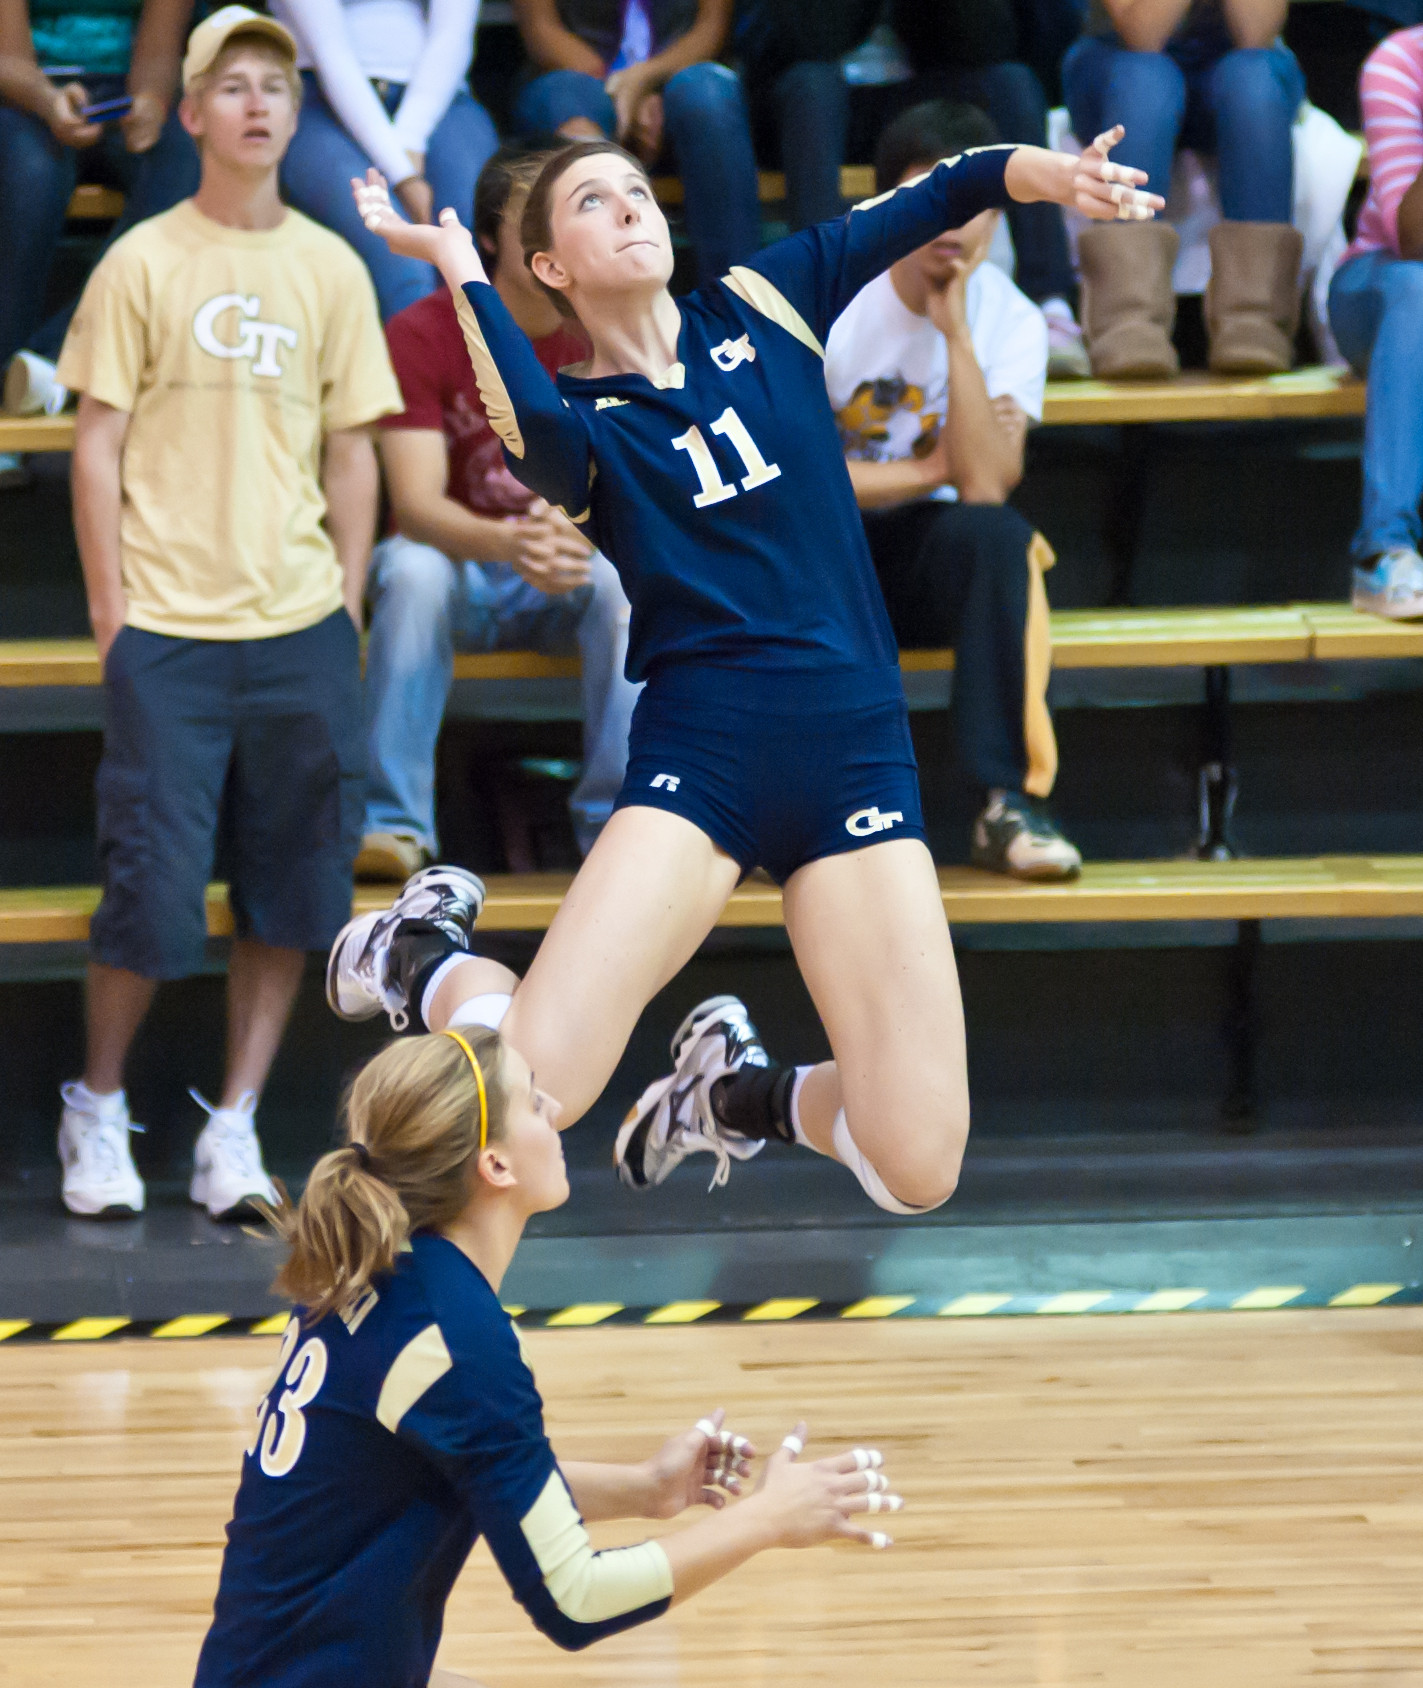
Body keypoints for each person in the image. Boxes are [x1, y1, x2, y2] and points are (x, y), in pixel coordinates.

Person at [328, 128, 1159, 1222]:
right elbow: (520, 418)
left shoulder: (765, 301)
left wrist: (1043, 174)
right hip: (701, 765)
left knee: (918, 1163)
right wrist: (455, 264)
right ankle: (420, 952)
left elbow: (939, 189)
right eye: (593, 200)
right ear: (550, 268)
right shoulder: (579, 427)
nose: (630, 204)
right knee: (527, 1093)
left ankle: (732, 1092)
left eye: (638, 186)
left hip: (852, 752)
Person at [194, 1027, 902, 1683]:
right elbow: (576, 1601)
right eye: (533, 1100)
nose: (554, 1107)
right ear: (494, 1163)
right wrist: (765, 1519)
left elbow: (450, 1471)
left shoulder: (373, 1272)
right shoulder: (455, 1338)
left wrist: (645, 1490)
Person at [52, 6, 401, 1220]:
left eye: (277, 87)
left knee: (290, 890)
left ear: (296, 115)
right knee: (147, 893)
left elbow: (354, 453)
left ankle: (234, 1128)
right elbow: (94, 446)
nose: (257, 104)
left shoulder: (331, 266)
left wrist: (345, 605)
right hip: (171, 630)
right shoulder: (143, 258)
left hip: (299, 629)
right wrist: (113, 610)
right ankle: (97, 1106)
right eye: (232, 86)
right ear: (192, 113)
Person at [361, 142, 640, 880]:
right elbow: (416, 507)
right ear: (487, 240)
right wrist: (514, 542)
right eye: (536, 218)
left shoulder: (600, 334)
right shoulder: (420, 332)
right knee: (410, 571)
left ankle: (620, 827)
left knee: (627, 585)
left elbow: (631, 485)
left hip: (565, 567)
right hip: (461, 569)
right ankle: (393, 826)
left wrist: (577, 534)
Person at [825, 102, 1081, 881]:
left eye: (973, 202)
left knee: (1003, 542)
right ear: (884, 207)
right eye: (932, 198)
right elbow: (798, 481)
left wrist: (955, 333)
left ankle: (1003, 805)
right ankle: (790, 809)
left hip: (926, 550)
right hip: (826, 542)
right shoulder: (828, 293)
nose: (953, 222)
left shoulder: (1006, 318)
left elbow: (985, 486)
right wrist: (928, 469)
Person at [0, 0, 199, 485]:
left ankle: (44, 363)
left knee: (190, 170)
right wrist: (48, 101)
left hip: (125, 91)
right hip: (24, 89)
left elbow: (159, 51)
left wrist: (150, 101)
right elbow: (7, 55)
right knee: (31, 174)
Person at [1063, 0, 1307, 376]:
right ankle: (1129, 319)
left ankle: (1254, 317)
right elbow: (1142, 34)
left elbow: (1255, 34)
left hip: (1238, 64)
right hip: (1119, 63)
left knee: (1252, 79)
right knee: (1145, 80)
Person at [888, 0, 1092, 378]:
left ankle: (1050, 305)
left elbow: (1005, 42)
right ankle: (816, 292)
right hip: (843, 91)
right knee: (811, 86)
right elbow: (813, 39)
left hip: (956, 76)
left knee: (1013, 84)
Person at [271, 0, 499, 319]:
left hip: (442, 97)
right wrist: (403, 175)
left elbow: (454, 33)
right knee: (402, 265)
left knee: (463, 251)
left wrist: (408, 140)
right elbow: (329, 51)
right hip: (319, 98)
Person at [509, 0, 760, 287]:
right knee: (567, 104)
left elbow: (711, 28)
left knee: (708, 97)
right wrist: (620, 94)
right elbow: (542, 30)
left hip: (681, 77)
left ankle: (736, 303)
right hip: (577, 78)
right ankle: (593, 305)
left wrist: (643, 81)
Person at [1328, 24, 1423, 621]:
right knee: (1420, 285)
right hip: (1380, 289)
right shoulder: (1399, 62)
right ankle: (1384, 550)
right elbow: (1411, 239)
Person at [730, 0, 879, 233]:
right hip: (768, 102)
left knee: (815, 87)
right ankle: (814, 263)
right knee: (815, 87)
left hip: (874, 105)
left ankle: (820, 262)